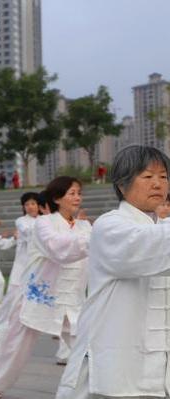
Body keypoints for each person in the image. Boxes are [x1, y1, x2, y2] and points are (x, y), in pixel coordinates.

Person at [57, 146, 170, 399]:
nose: (158, 184)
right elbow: (149, 246)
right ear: (122, 185)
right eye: (148, 176)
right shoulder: (111, 225)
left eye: (163, 176)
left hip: (159, 369)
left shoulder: (161, 227)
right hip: (114, 365)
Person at [0, 176, 92, 399]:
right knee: (14, 347)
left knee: (89, 351)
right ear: (57, 198)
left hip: (72, 301)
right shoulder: (44, 223)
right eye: (72, 193)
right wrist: (95, 238)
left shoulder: (85, 226)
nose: (77, 197)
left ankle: (84, 392)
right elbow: (58, 249)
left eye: (79, 192)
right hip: (39, 298)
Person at [0, 192, 40, 349]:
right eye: (27, 204)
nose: (30, 207)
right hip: (21, 268)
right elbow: (28, 231)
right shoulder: (22, 221)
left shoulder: (45, 221)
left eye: (33, 204)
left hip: (37, 267)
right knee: (10, 299)